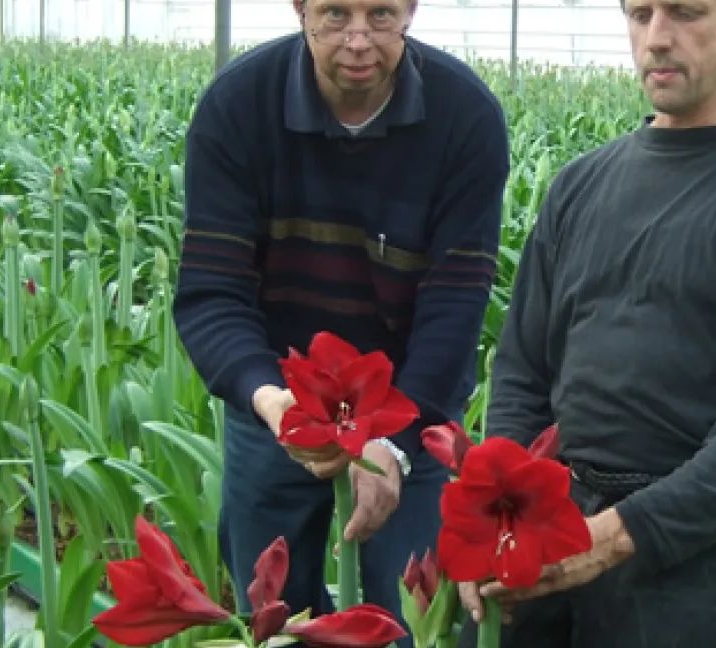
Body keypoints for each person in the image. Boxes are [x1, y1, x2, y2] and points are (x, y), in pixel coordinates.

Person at [454, 0, 716, 645]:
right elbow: (522, 371)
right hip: (550, 525)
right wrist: (501, 508)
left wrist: (614, 537)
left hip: (694, 560)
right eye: (640, 13)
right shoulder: (580, 184)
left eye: (685, 12)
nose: (657, 37)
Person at [171, 0, 510, 645]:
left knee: (416, 622)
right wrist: (273, 404)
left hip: (409, 403)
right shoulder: (238, 105)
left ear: (411, 9)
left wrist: (394, 445)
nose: (357, 40)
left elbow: (455, 304)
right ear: (300, 9)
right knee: (275, 620)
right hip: (280, 402)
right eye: (334, 13)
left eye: (381, 14)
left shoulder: (464, 116)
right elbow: (212, 292)